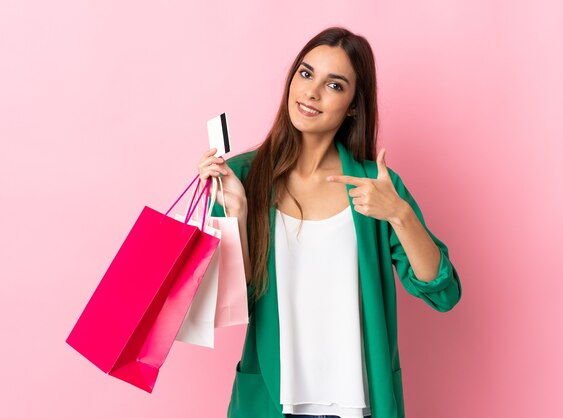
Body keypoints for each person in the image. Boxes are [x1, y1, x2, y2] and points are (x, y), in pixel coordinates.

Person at [196, 26, 462, 418]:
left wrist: (400, 215)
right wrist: (235, 213)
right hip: (273, 402)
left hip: (360, 406)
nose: (312, 92)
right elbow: (231, 305)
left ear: (354, 104)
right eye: (306, 74)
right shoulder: (242, 177)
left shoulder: (375, 185)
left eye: (334, 85)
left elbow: (444, 294)